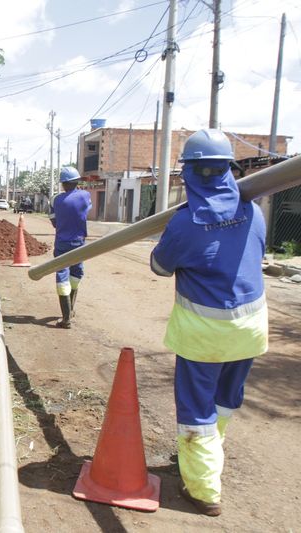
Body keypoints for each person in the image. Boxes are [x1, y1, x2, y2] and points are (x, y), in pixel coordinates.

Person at [150, 129, 268, 517]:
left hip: (204, 335)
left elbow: (160, 266)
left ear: (188, 175)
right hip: (250, 329)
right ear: (228, 170)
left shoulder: (184, 223)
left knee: (197, 408)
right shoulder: (253, 212)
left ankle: (203, 490)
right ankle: (206, 456)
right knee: (225, 398)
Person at [49, 167, 91, 328]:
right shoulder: (85, 196)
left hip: (62, 243)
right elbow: (87, 210)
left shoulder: (55, 200)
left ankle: (66, 317)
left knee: (62, 275)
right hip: (79, 243)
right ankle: (71, 310)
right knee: (77, 272)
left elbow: (54, 222)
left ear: (63, 184)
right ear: (77, 182)